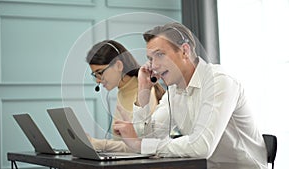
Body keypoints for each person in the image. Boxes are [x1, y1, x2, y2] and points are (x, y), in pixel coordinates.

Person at [113, 22, 268, 168]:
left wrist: (140, 146)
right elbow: (150, 137)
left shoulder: (219, 82)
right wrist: (143, 91)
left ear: (184, 51)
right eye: (150, 59)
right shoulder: (174, 91)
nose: (154, 66)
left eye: (160, 55)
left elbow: (202, 146)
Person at [86, 40, 165, 152]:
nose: (98, 80)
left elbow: (142, 146)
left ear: (118, 65)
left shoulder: (144, 91)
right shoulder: (122, 91)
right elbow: (124, 142)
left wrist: (97, 144)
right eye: (95, 75)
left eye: (100, 72)